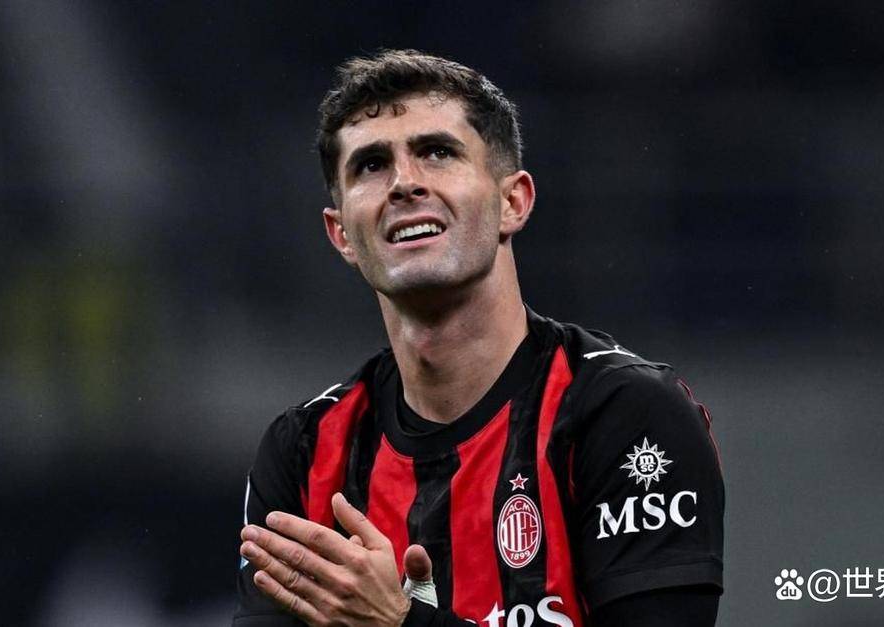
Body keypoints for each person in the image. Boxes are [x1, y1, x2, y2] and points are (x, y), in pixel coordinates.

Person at [234, 49, 724, 626]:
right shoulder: (304, 451)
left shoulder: (625, 413)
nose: (404, 183)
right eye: (371, 165)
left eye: (437, 153)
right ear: (341, 235)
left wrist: (401, 623)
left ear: (512, 203)